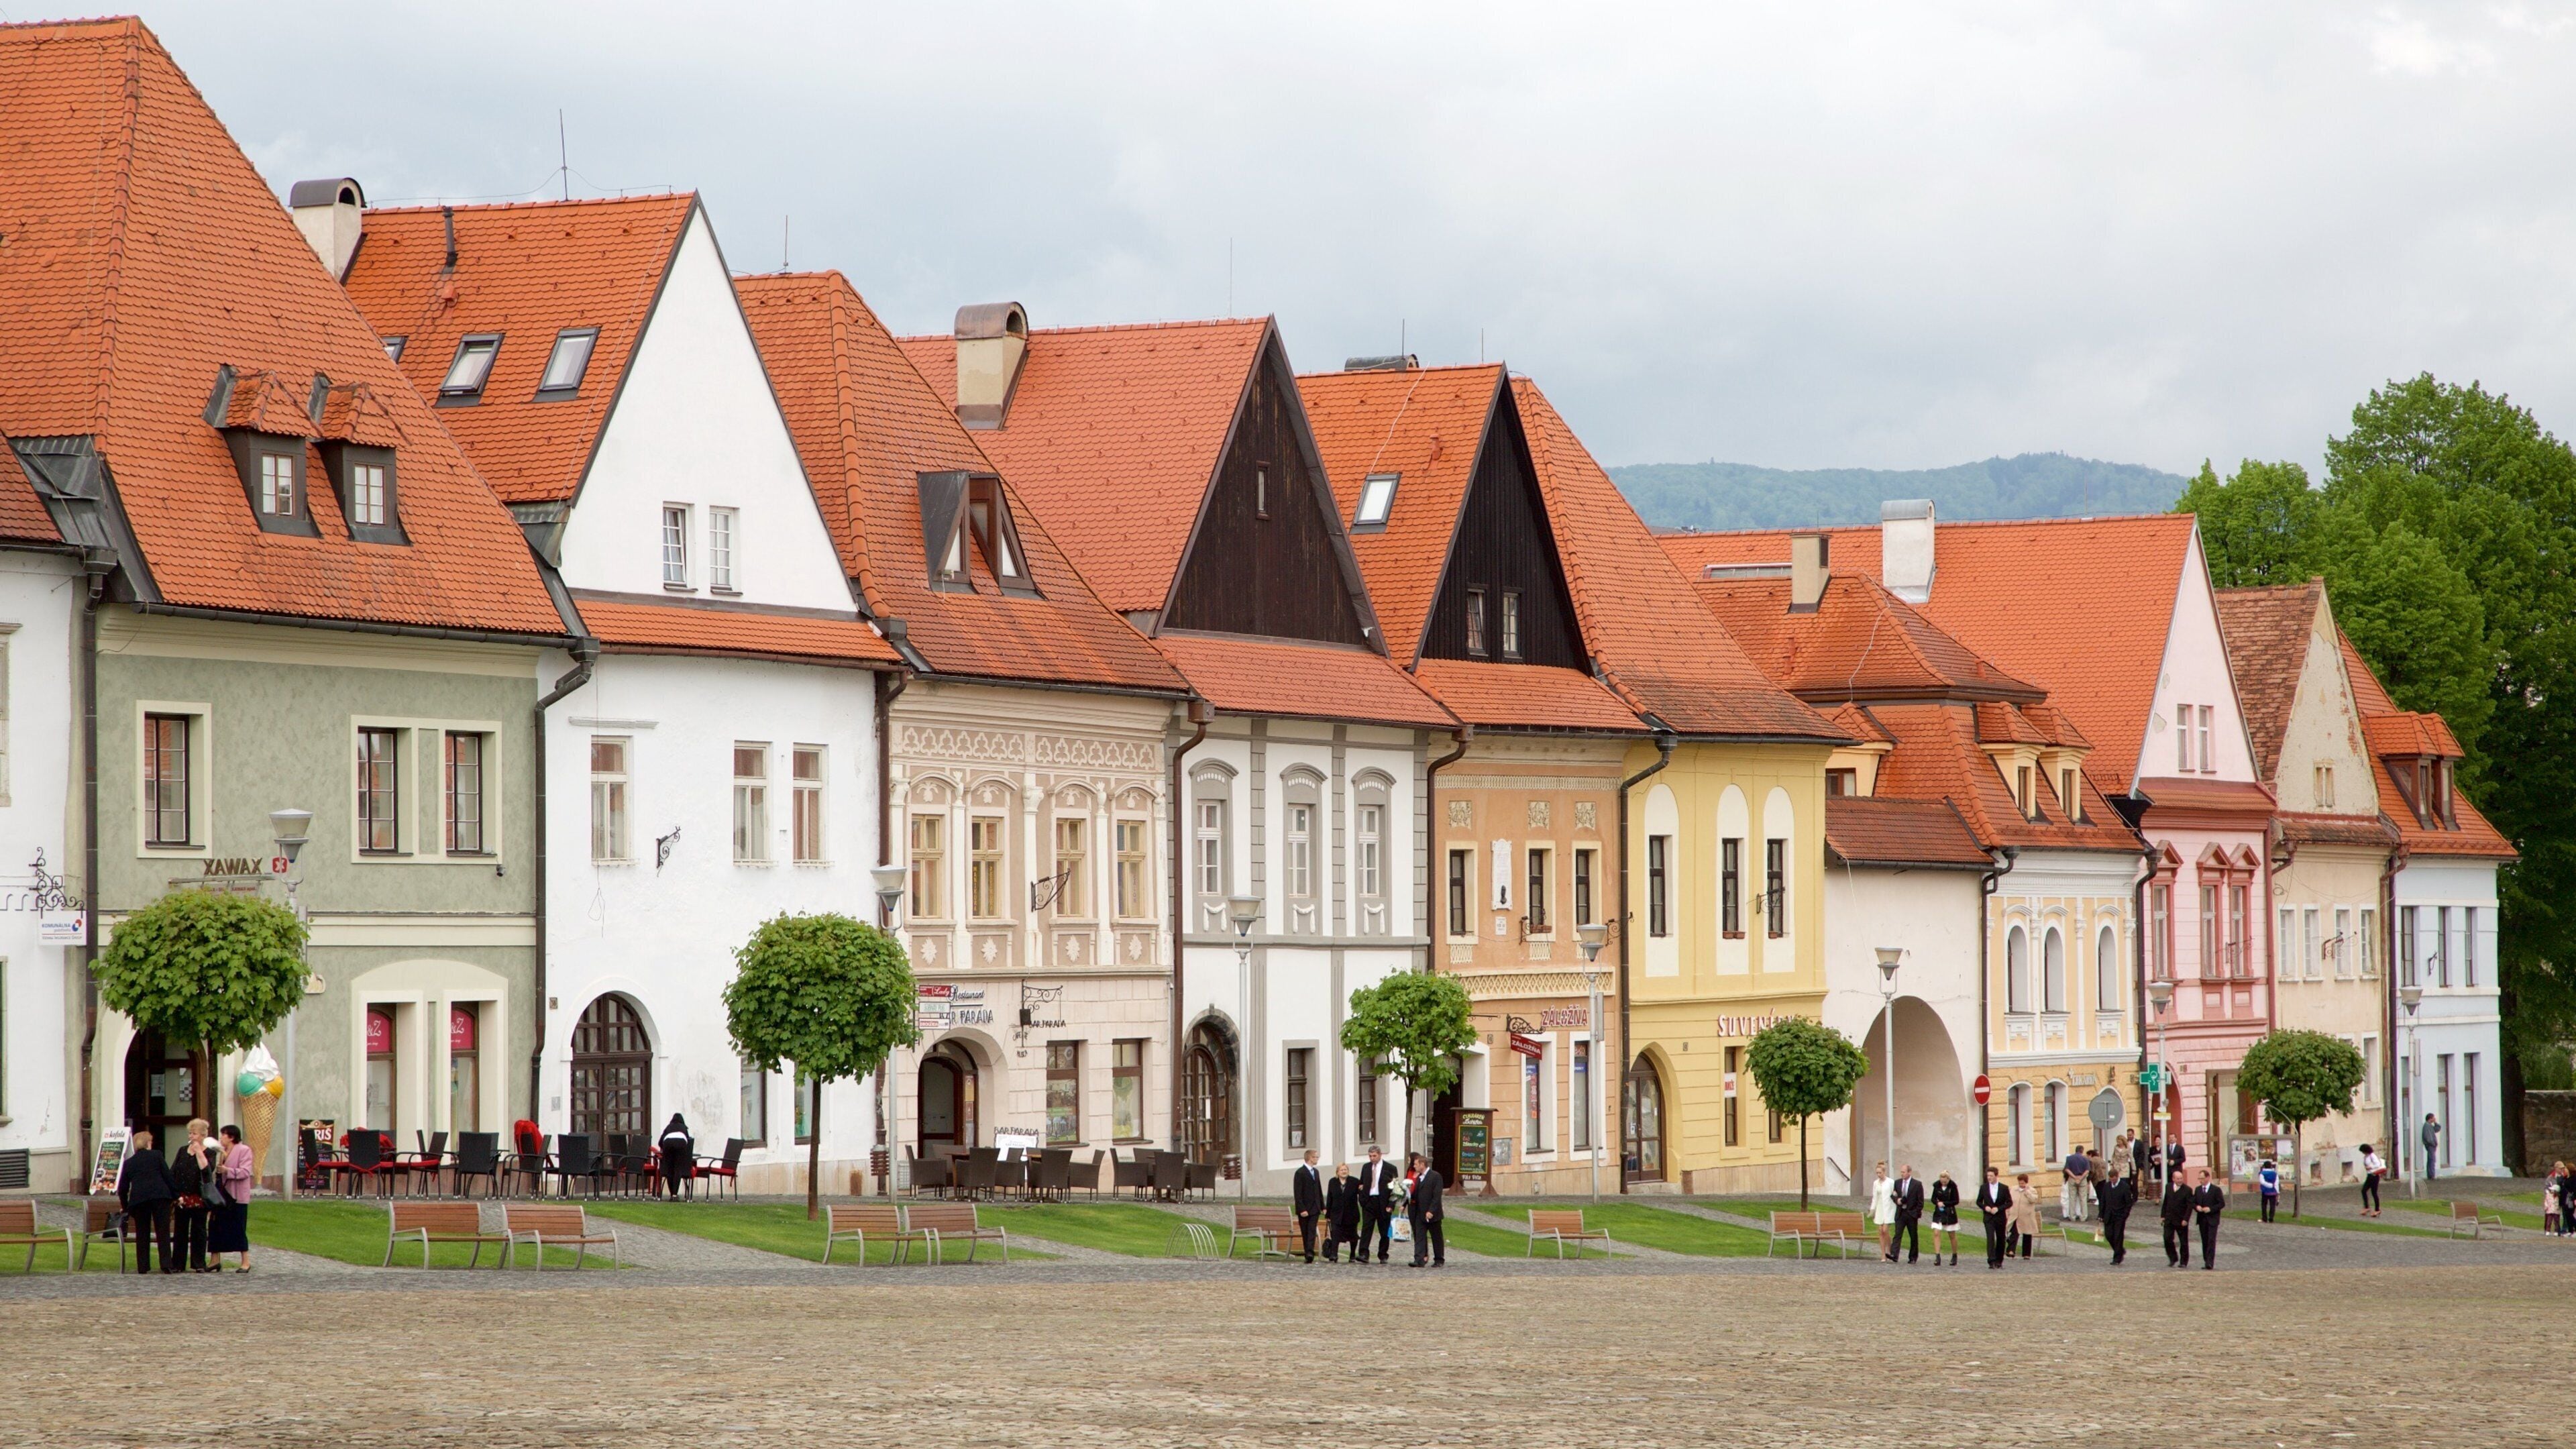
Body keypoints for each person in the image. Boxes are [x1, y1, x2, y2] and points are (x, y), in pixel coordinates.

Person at [115, 1126, 178, 1275]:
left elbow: (122, 1188)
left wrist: (126, 1206)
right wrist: (176, 1195)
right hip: (159, 1197)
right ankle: (166, 1264)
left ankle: (143, 1266)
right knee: (162, 1231)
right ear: (148, 1143)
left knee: (142, 1233)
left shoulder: (129, 1163)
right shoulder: (157, 1156)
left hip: (140, 1200)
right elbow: (167, 1176)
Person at [169, 1116, 215, 1275]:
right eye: (190, 1133)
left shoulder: (209, 1153)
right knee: (180, 1231)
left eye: (194, 1134)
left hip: (199, 1198)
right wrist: (175, 1194)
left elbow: (207, 1171)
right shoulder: (182, 1150)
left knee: (199, 1231)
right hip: (183, 1197)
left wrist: (198, 1152)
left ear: (203, 1135)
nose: (191, 1137)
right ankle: (178, 1264)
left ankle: (198, 1263)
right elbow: (173, 1171)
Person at [211, 1124, 254, 1272]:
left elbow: (245, 1172)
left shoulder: (244, 1150)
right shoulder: (221, 1152)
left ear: (232, 1137)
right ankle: (214, 1260)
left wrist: (227, 1170)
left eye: (223, 1135)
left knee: (238, 1228)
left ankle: (245, 1262)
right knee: (215, 1226)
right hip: (222, 1194)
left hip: (237, 1196)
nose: (221, 1138)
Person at [1355, 1146, 1399, 1265]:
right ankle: (1364, 1253)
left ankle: (1383, 1254)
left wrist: (1391, 1204)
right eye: (1370, 1156)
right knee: (1366, 1228)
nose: (1372, 1158)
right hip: (1369, 1201)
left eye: (1374, 1156)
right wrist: (1362, 1197)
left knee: (1384, 1230)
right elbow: (1362, 1183)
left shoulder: (1390, 1168)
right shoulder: (1366, 1167)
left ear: (1380, 1155)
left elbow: (1395, 1188)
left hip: (1383, 1202)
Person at [1406, 1152, 1446, 1267]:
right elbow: (1416, 1194)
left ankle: (1439, 1259)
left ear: (1422, 1164)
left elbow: (1437, 1196)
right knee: (1420, 1236)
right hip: (1420, 1212)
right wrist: (1406, 1195)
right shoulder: (1419, 1178)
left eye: (1416, 1164)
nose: (1414, 1166)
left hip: (1433, 1213)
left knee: (1436, 1237)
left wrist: (1431, 1211)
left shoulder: (1435, 1176)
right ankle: (1419, 1259)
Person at [2097, 1161, 2137, 1265]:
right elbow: (2103, 1201)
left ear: (2117, 1177)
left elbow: (2129, 1203)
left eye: (2113, 1179)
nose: (2112, 1181)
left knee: (2118, 1236)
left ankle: (2117, 1258)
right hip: (2108, 1215)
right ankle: (2120, 1250)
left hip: (2120, 1216)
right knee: (2109, 1235)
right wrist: (2101, 1215)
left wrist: (2125, 1215)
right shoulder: (2107, 1186)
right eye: (2110, 1179)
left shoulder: (2124, 1187)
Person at [1291, 1148, 1325, 1263]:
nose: (1317, 1159)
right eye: (1316, 1157)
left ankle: (1310, 1253)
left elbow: (1319, 1190)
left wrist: (1323, 1206)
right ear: (1310, 1158)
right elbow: (1298, 1192)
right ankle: (1307, 1251)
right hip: (1305, 1208)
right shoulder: (1300, 1173)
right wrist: (1301, 1208)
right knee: (1305, 1231)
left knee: (1312, 1230)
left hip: (1315, 1207)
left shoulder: (1316, 1172)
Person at [1888, 1163, 1926, 1265]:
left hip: (1911, 1214)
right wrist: (1898, 1200)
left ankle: (1913, 1257)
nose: (1902, 1174)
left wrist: (1916, 1212)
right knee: (1897, 1234)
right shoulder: (1897, 1183)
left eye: (1904, 1172)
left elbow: (1920, 1201)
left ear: (1909, 1172)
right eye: (1901, 1172)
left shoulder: (1917, 1184)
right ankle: (1894, 1255)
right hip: (1901, 1213)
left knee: (1913, 1236)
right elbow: (1893, 1195)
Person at [1324, 1162, 1360, 1263]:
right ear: (1337, 1172)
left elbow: (1362, 1194)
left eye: (1345, 1170)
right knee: (1335, 1234)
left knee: (1353, 1236)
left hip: (1351, 1214)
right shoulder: (1333, 1182)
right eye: (1342, 1170)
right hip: (1336, 1213)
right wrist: (1328, 1214)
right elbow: (1330, 1198)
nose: (1344, 1172)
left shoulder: (1355, 1181)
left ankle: (1352, 1254)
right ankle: (1334, 1254)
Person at [2160, 1167, 2196, 1268]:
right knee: (2167, 1238)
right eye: (2178, 1179)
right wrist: (2163, 1216)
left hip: (2181, 1220)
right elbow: (2166, 1202)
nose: (2180, 1180)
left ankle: (2184, 1261)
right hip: (2169, 1218)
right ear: (2173, 1179)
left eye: (2181, 1178)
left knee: (2183, 1242)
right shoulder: (2168, 1187)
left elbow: (2190, 1207)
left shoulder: (2188, 1190)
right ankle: (2173, 1257)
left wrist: (2186, 1219)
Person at [1977, 1167, 2012, 1269]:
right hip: (1989, 1218)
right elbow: (1979, 1201)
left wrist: (1999, 1208)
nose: (1989, 1178)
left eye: (1991, 1176)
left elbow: (2009, 1202)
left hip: (2000, 1217)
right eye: (1988, 1176)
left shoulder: (2004, 1188)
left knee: (2001, 1239)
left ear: (1996, 1176)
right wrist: (1985, 1207)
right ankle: (1991, 1260)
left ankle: (1999, 1260)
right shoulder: (1984, 1188)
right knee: (1990, 1238)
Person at [2193, 1167, 2227, 1269]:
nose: (2201, 1180)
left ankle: (2210, 1262)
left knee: (2211, 1240)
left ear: (2208, 1178)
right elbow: (2194, 1202)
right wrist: (2197, 1207)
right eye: (2199, 1179)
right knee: (2205, 1240)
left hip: (2212, 1219)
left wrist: (2211, 1209)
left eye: (2202, 1178)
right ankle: (2206, 1260)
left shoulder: (2216, 1190)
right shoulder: (2198, 1190)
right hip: (2202, 1219)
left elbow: (2221, 1204)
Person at [1929, 1171, 1962, 1266]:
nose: (1943, 1183)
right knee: (1936, 1233)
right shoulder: (1937, 1186)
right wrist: (1937, 1203)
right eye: (1942, 1181)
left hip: (1949, 1212)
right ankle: (1937, 1256)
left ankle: (1954, 1255)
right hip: (1939, 1212)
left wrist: (1945, 1203)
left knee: (1952, 1235)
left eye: (1945, 1182)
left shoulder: (1953, 1187)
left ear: (1948, 1179)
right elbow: (1933, 1199)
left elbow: (1956, 1200)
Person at [1866, 1161, 1895, 1261]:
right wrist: (1872, 1210)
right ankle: (1883, 1255)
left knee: (1885, 1230)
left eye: (1880, 1173)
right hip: (1880, 1207)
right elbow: (1875, 1197)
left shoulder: (1891, 1182)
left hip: (1889, 1208)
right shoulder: (1876, 1183)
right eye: (1877, 1173)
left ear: (1884, 1172)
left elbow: (1894, 1195)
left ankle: (1889, 1250)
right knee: (1880, 1231)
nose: (1879, 1175)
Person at [2008, 1172, 2041, 1260]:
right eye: (2020, 1183)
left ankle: (2026, 1254)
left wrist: (2027, 1192)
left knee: (2027, 1234)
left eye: (2023, 1183)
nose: (2021, 1185)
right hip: (2015, 1216)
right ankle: (2011, 1251)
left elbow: (2033, 1200)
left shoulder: (2032, 1190)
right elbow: (2009, 1200)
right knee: (2014, 1233)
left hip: (2027, 1217)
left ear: (2026, 1182)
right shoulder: (2013, 1189)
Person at [2060, 1147, 2091, 1222]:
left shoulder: (2070, 1158)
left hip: (2072, 1179)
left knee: (2072, 1198)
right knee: (2083, 1198)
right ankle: (2084, 1217)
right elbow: (2087, 1170)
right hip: (2082, 1179)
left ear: (2076, 1150)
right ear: (2082, 1151)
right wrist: (2081, 1178)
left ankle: (2072, 1216)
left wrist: (2074, 1177)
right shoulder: (2085, 1159)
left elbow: (2067, 1169)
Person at [2357, 1144, 2386, 1217]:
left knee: (2374, 1193)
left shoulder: (2372, 1156)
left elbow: (2377, 1164)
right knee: (2364, 1190)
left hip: (2374, 1176)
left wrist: (2370, 1167)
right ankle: (2367, 1207)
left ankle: (2377, 1209)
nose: (2363, 1153)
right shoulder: (2366, 1157)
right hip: (2369, 1176)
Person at [2256, 1157, 2280, 1223]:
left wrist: (2268, 1185)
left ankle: (2265, 1218)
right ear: (2271, 1166)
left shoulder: (2262, 1173)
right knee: (2272, 1205)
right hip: (2273, 1191)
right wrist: (2277, 1191)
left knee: (2264, 1205)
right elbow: (2277, 1183)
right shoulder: (2275, 1173)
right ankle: (2271, 1218)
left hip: (2265, 1191)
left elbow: (2262, 1182)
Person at [2420, 1114, 2442, 1181]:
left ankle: (2431, 1175)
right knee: (2432, 1160)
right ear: (2430, 1118)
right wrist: (2433, 1143)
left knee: (2431, 1160)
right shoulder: (2427, 1126)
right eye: (2433, 1118)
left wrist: (2435, 1123)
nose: (2434, 1119)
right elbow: (2428, 1137)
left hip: (2431, 1145)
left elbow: (2437, 1129)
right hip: (2430, 1146)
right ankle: (2432, 1175)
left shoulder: (2430, 1126)